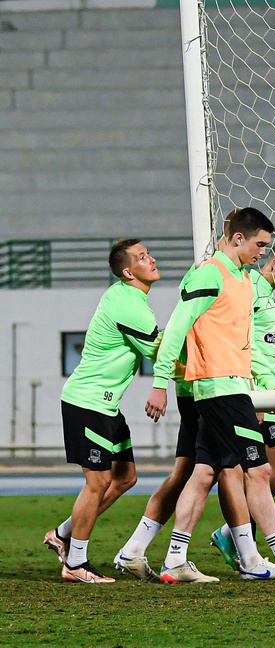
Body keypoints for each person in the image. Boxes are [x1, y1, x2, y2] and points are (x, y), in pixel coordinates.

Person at [148, 207, 275, 583]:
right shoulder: (210, 272)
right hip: (219, 387)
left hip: (234, 385)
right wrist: (160, 381)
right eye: (259, 245)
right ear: (238, 238)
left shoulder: (243, 279)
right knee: (260, 471)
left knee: (203, 472)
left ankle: (176, 557)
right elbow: (177, 327)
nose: (262, 253)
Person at [45, 240, 163, 583]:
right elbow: (163, 356)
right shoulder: (131, 308)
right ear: (128, 272)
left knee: (126, 477)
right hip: (89, 402)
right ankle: (76, 563)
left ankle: (63, 535)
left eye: (148, 253)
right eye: (142, 257)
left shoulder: (124, 296)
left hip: (106, 405)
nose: (151, 259)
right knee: (97, 482)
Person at [209, 240, 275, 569]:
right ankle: (261, 548)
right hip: (244, 391)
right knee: (238, 471)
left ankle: (229, 534)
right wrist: (251, 387)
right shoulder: (247, 288)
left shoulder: (269, 300)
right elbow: (242, 343)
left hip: (266, 393)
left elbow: (266, 352)